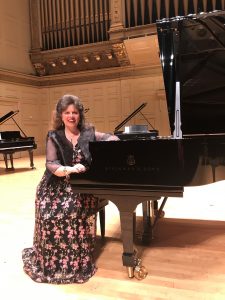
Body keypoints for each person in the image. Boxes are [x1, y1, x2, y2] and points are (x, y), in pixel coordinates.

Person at [22, 94, 119, 284]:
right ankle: (51, 262)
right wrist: (71, 169)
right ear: (60, 115)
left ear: (80, 115)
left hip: (80, 186)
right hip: (55, 183)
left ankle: (75, 262)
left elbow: (112, 138)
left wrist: (104, 152)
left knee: (72, 208)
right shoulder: (54, 136)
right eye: (67, 112)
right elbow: (51, 164)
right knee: (46, 210)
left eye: (75, 112)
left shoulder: (89, 133)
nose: (71, 116)